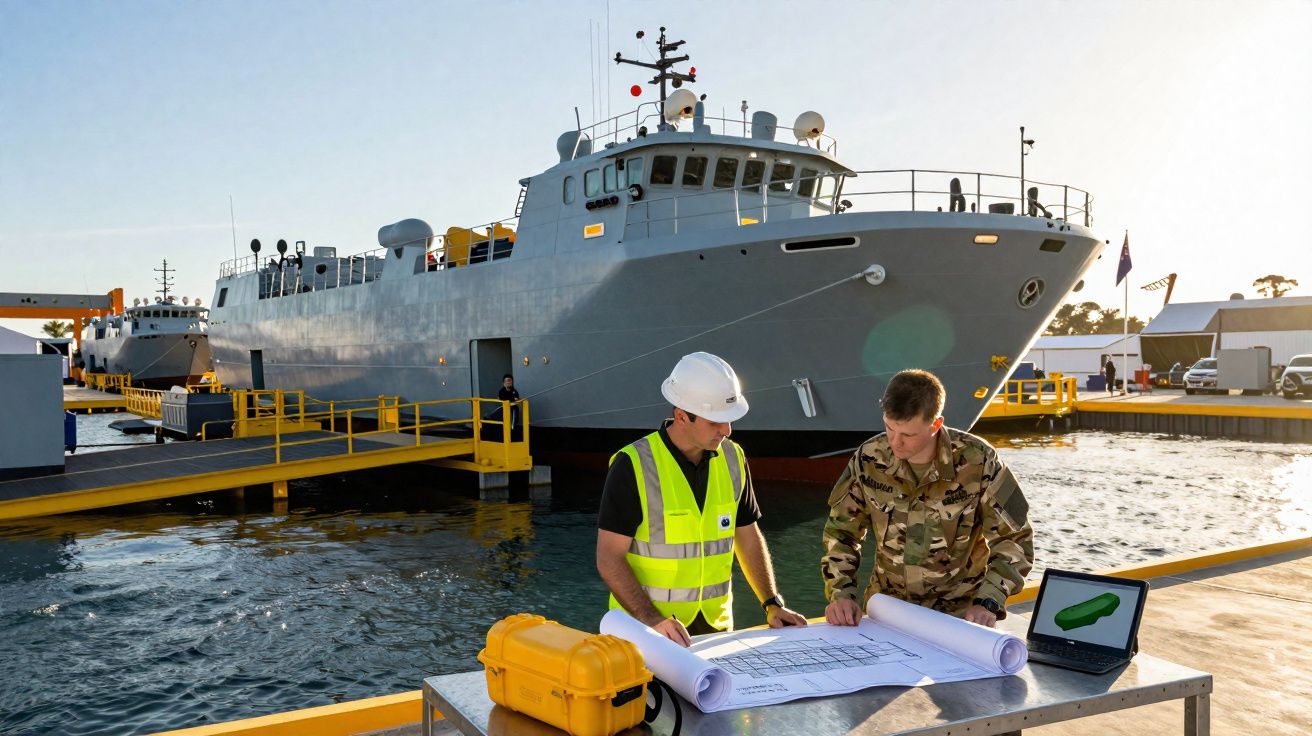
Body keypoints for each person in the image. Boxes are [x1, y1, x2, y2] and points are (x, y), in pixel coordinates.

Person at [597, 352, 808, 646]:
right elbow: (609, 557)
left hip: (715, 632)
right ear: (682, 416)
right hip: (644, 636)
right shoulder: (632, 464)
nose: (727, 430)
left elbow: (747, 535)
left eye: (729, 420)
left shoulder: (733, 458)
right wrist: (652, 620)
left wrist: (771, 602)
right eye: (716, 422)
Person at [821, 369, 1034, 629]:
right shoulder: (869, 458)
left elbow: (1015, 539)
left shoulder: (979, 461)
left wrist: (988, 602)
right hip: (888, 613)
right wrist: (841, 594)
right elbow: (841, 533)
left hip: (959, 617)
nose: (895, 442)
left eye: (908, 435)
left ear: (935, 424)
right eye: (889, 428)